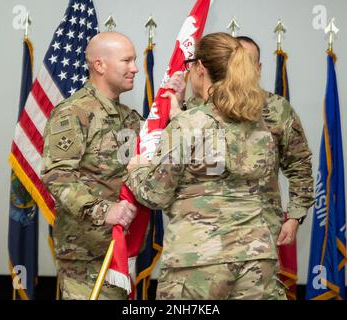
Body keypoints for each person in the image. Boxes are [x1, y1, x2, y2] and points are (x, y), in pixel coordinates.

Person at [125, 32, 295, 300]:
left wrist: (136, 168)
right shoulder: (258, 124)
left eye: (191, 65)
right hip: (256, 258)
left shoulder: (187, 124)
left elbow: (155, 194)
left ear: (201, 68)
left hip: (198, 260)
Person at [41, 32, 142, 300]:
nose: (135, 68)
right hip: (85, 258)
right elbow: (57, 175)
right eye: (127, 60)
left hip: (121, 249)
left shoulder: (130, 118)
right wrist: (102, 210)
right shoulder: (73, 113)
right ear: (99, 65)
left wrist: (175, 102)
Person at [236, 36, 314, 247]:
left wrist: (295, 216)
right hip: (212, 235)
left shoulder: (278, 109)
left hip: (262, 231)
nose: (242, 69)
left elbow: (299, 165)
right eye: (237, 62)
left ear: (259, 68)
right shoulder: (204, 109)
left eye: (248, 63)